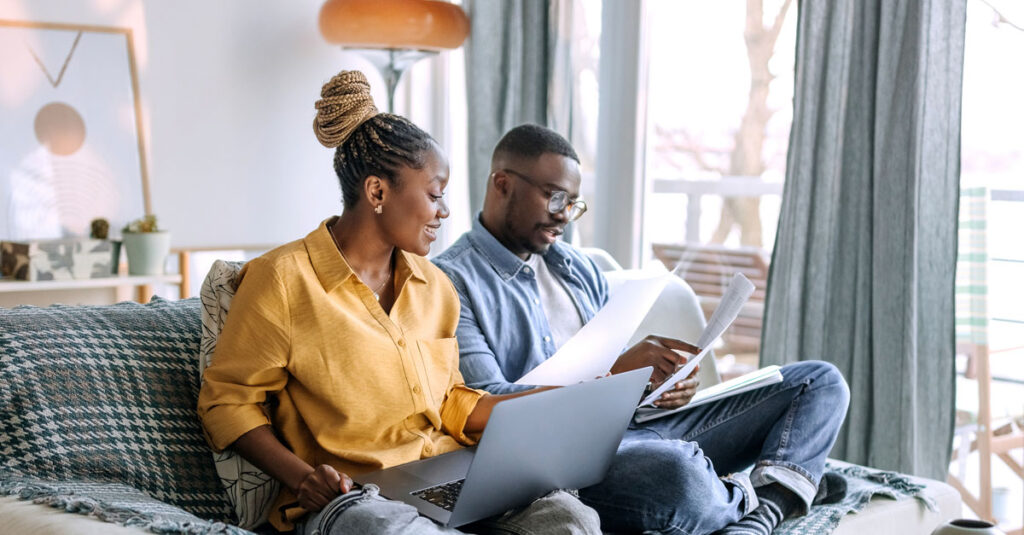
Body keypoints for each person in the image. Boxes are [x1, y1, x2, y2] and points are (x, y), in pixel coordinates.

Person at [197, 74, 601, 535]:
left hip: (448, 476)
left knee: (570, 518)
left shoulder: (435, 285)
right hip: (355, 497)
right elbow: (227, 403)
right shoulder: (284, 280)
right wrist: (304, 478)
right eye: (434, 195)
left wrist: (554, 404)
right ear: (377, 193)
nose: (444, 212)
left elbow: (450, 402)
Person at [433, 124, 851, 535]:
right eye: (554, 197)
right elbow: (483, 410)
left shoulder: (578, 269)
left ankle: (761, 501)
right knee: (677, 473)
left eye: (574, 204)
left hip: (637, 432)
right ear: (502, 184)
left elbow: (615, 376)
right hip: (557, 465)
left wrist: (659, 386)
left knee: (819, 381)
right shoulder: (451, 282)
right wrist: (613, 376)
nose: (564, 215)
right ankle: (779, 492)